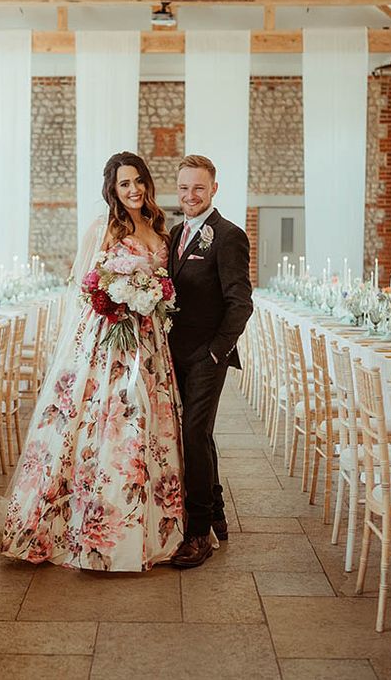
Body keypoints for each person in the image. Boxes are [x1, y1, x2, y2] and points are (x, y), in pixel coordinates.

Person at [0, 152, 184, 572]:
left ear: (147, 183)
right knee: (110, 421)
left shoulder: (159, 227)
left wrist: (155, 297)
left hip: (150, 344)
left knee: (147, 423)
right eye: (124, 184)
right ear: (112, 190)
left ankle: (144, 529)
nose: (132, 189)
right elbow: (85, 288)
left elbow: (165, 284)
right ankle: (83, 528)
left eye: (138, 181)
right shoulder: (103, 228)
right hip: (110, 344)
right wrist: (115, 296)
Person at [168, 154, 253, 568]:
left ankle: (198, 533)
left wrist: (217, 351)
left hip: (206, 357)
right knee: (198, 436)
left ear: (214, 188)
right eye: (183, 188)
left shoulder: (228, 236)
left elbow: (241, 304)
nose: (190, 195)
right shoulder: (174, 234)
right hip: (174, 354)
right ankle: (216, 511)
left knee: (193, 434)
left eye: (198, 188)